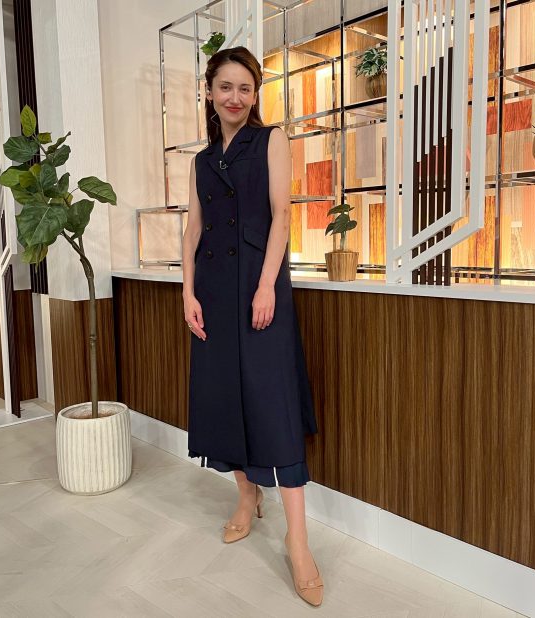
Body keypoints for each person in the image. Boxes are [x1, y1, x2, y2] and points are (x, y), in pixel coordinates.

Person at [182, 45, 324, 607]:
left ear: (255, 93)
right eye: (225, 87)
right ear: (209, 92)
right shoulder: (200, 160)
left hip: (261, 285)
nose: (235, 97)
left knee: (273, 404)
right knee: (222, 398)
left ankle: (298, 542)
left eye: (245, 87)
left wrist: (268, 286)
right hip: (213, 292)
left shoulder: (271, 140)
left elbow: (282, 214)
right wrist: (188, 291)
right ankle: (246, 496)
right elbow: (194, 228)